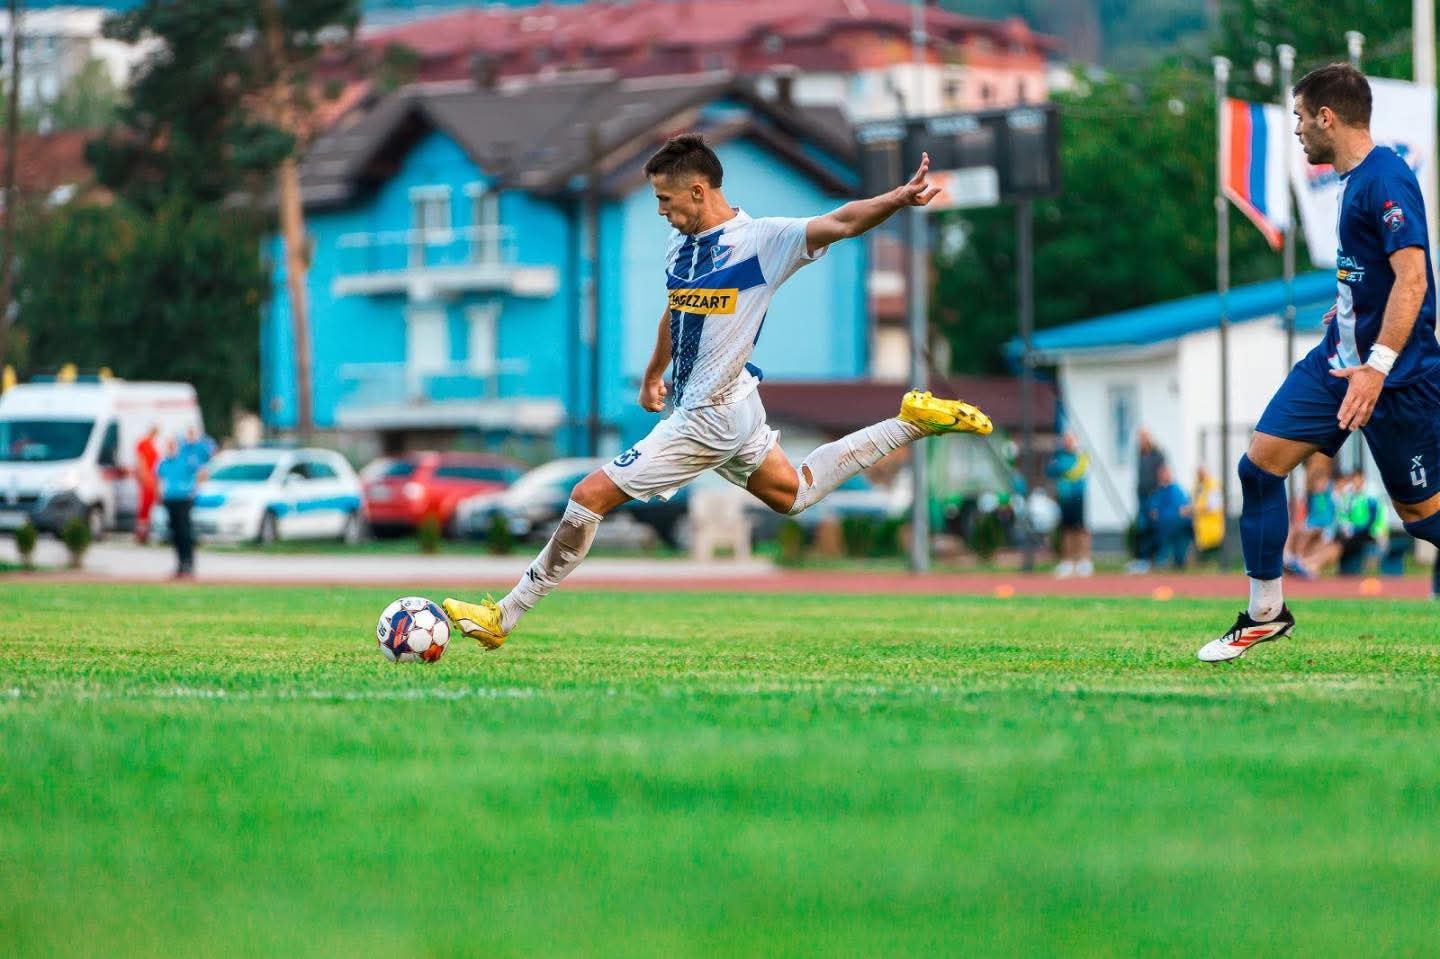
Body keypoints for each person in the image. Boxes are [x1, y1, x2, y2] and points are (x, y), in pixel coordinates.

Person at [442, 134, 993, 647]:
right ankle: (910, 422)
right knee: (794, 493)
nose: (661, 210)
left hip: (708, 418)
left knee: (588, 497)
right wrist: (653, 374)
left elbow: (842, 221)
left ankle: (503, 616)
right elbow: (676, 309)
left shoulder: (762, 242)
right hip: (733, 405)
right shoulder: (679, 247)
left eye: (665, 199)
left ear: (698, 191)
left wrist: (897, 198)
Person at [1198, 64, 1439, 661]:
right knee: (1258, 468)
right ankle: (1265, 613)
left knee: (1422, 517)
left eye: (1301, 118)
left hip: (1396, 380)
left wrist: (1377, 367)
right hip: (1335, 364)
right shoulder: (1352, 180)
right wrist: (1350, 307)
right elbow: (1373, 274)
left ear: (1327, 117)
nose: (1298, 130)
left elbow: (1413, 279)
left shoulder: (1387, 178)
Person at [1046, 432, 1091, 577]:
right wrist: (1058, 466)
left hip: (1077, 495)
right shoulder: (1059, 455)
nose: (1068, 442)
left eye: (1070, 440)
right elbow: (1051, 471)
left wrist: (1061, 469)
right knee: (1066, 529)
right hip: (1064, 495)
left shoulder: (1080, 455)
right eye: (1066, 440)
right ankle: (1068, 561)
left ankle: (1084, 560)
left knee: (1080, 528)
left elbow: (1077, 471)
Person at [157, 436, 203, 579]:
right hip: (170, 499)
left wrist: (194, 490)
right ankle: (180, 565)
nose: (170, 448)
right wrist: (160, 495)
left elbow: (201, 472)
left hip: (184, 499)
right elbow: (159, 479)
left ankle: (188, 563)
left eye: (173, 445)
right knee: (175, 533)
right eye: (169, 445)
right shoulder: (164, 462)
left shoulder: (185, 460)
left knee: (185, 532)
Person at [1128, 428, 1167, 573]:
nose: (1141, 441)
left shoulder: (1158, 454)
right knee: (1142, 527)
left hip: (1154, 496)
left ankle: (1156, 559)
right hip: (1142, 496)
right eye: (1140, 438)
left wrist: (1158, 500)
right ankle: (1142, 560)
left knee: (1153, 527)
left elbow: (1162, 475)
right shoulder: (1139, 453)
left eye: (1143, 437)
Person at [1147, 463, 1192, 570]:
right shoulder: (1158, 492)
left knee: (1180, 537)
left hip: (1177, 524)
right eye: (1162, 473)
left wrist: (1183, 512)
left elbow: (1186, 508)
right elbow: (1152, 511)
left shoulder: (1177, 490)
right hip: (1163, 526)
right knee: (1164, 537)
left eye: (1166, 473)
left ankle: (1178, 561)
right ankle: (1164, 561)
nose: (1165, 475)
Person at [1191, 465, 1225, 563]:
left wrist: (1194, 509)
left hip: (1214, 529)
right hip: (1203, 530)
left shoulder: (1213, 486)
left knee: (1214, 558)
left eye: (1201, 473)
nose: (1200, 476)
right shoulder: (1199, 487)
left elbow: (1213, 506)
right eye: (1198, 474)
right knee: (1206, 560)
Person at [134, 424, 160, 544]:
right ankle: (141, 532)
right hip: (147, 479)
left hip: (152, 478)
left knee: (149, 505)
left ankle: (146, 531)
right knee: (145, 505)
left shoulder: (153, 444)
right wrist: (145, 477)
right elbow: (141, 461)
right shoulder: (143, 443)